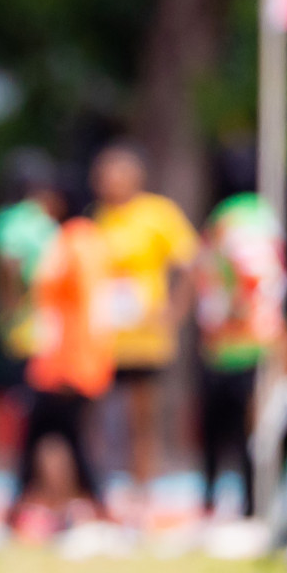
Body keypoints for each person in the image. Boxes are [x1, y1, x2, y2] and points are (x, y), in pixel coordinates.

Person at [91, 144, 199, 525]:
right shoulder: (99, 218)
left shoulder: (158, 214)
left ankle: (142, 497)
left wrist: (175, 311)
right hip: (104, 337)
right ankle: (104, 493)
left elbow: (189, 263)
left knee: (142, 420)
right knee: (102, 421)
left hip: (145, 337)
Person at [6, 173, 115, 529]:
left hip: (65, 362)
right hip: (73, 358)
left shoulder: (72, 243)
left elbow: (76, 305)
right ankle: (71, 510)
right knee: (61, 437)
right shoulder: (89, 240)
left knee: (51, 436)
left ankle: (74, 510)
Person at [194, 149, 287, 519]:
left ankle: (220, 500)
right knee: (252, 428)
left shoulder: (232, 217)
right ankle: (252, 501)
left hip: (233, 339)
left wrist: (231, 313)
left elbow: (250, 273)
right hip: (262, 337)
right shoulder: (267, 215)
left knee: (224, 428)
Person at [0, 149, 62, 364]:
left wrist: (8, 307)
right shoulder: (45, 219)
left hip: (28, 307)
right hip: (50, 306)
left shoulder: (7, 218)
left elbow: (8, 265)